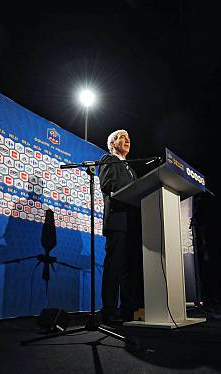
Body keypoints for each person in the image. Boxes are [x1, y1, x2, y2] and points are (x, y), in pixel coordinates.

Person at [98, 129, 139, 323]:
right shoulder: (109, 159)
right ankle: (109, 311)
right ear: (113, 143)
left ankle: (127, 310)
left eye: (129, 138)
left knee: (129, 268)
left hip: (132, 222)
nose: (127, 141)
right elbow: (107, 185)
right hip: (117, 221)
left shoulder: (132, 169)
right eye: (123, 138)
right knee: (114, 267)